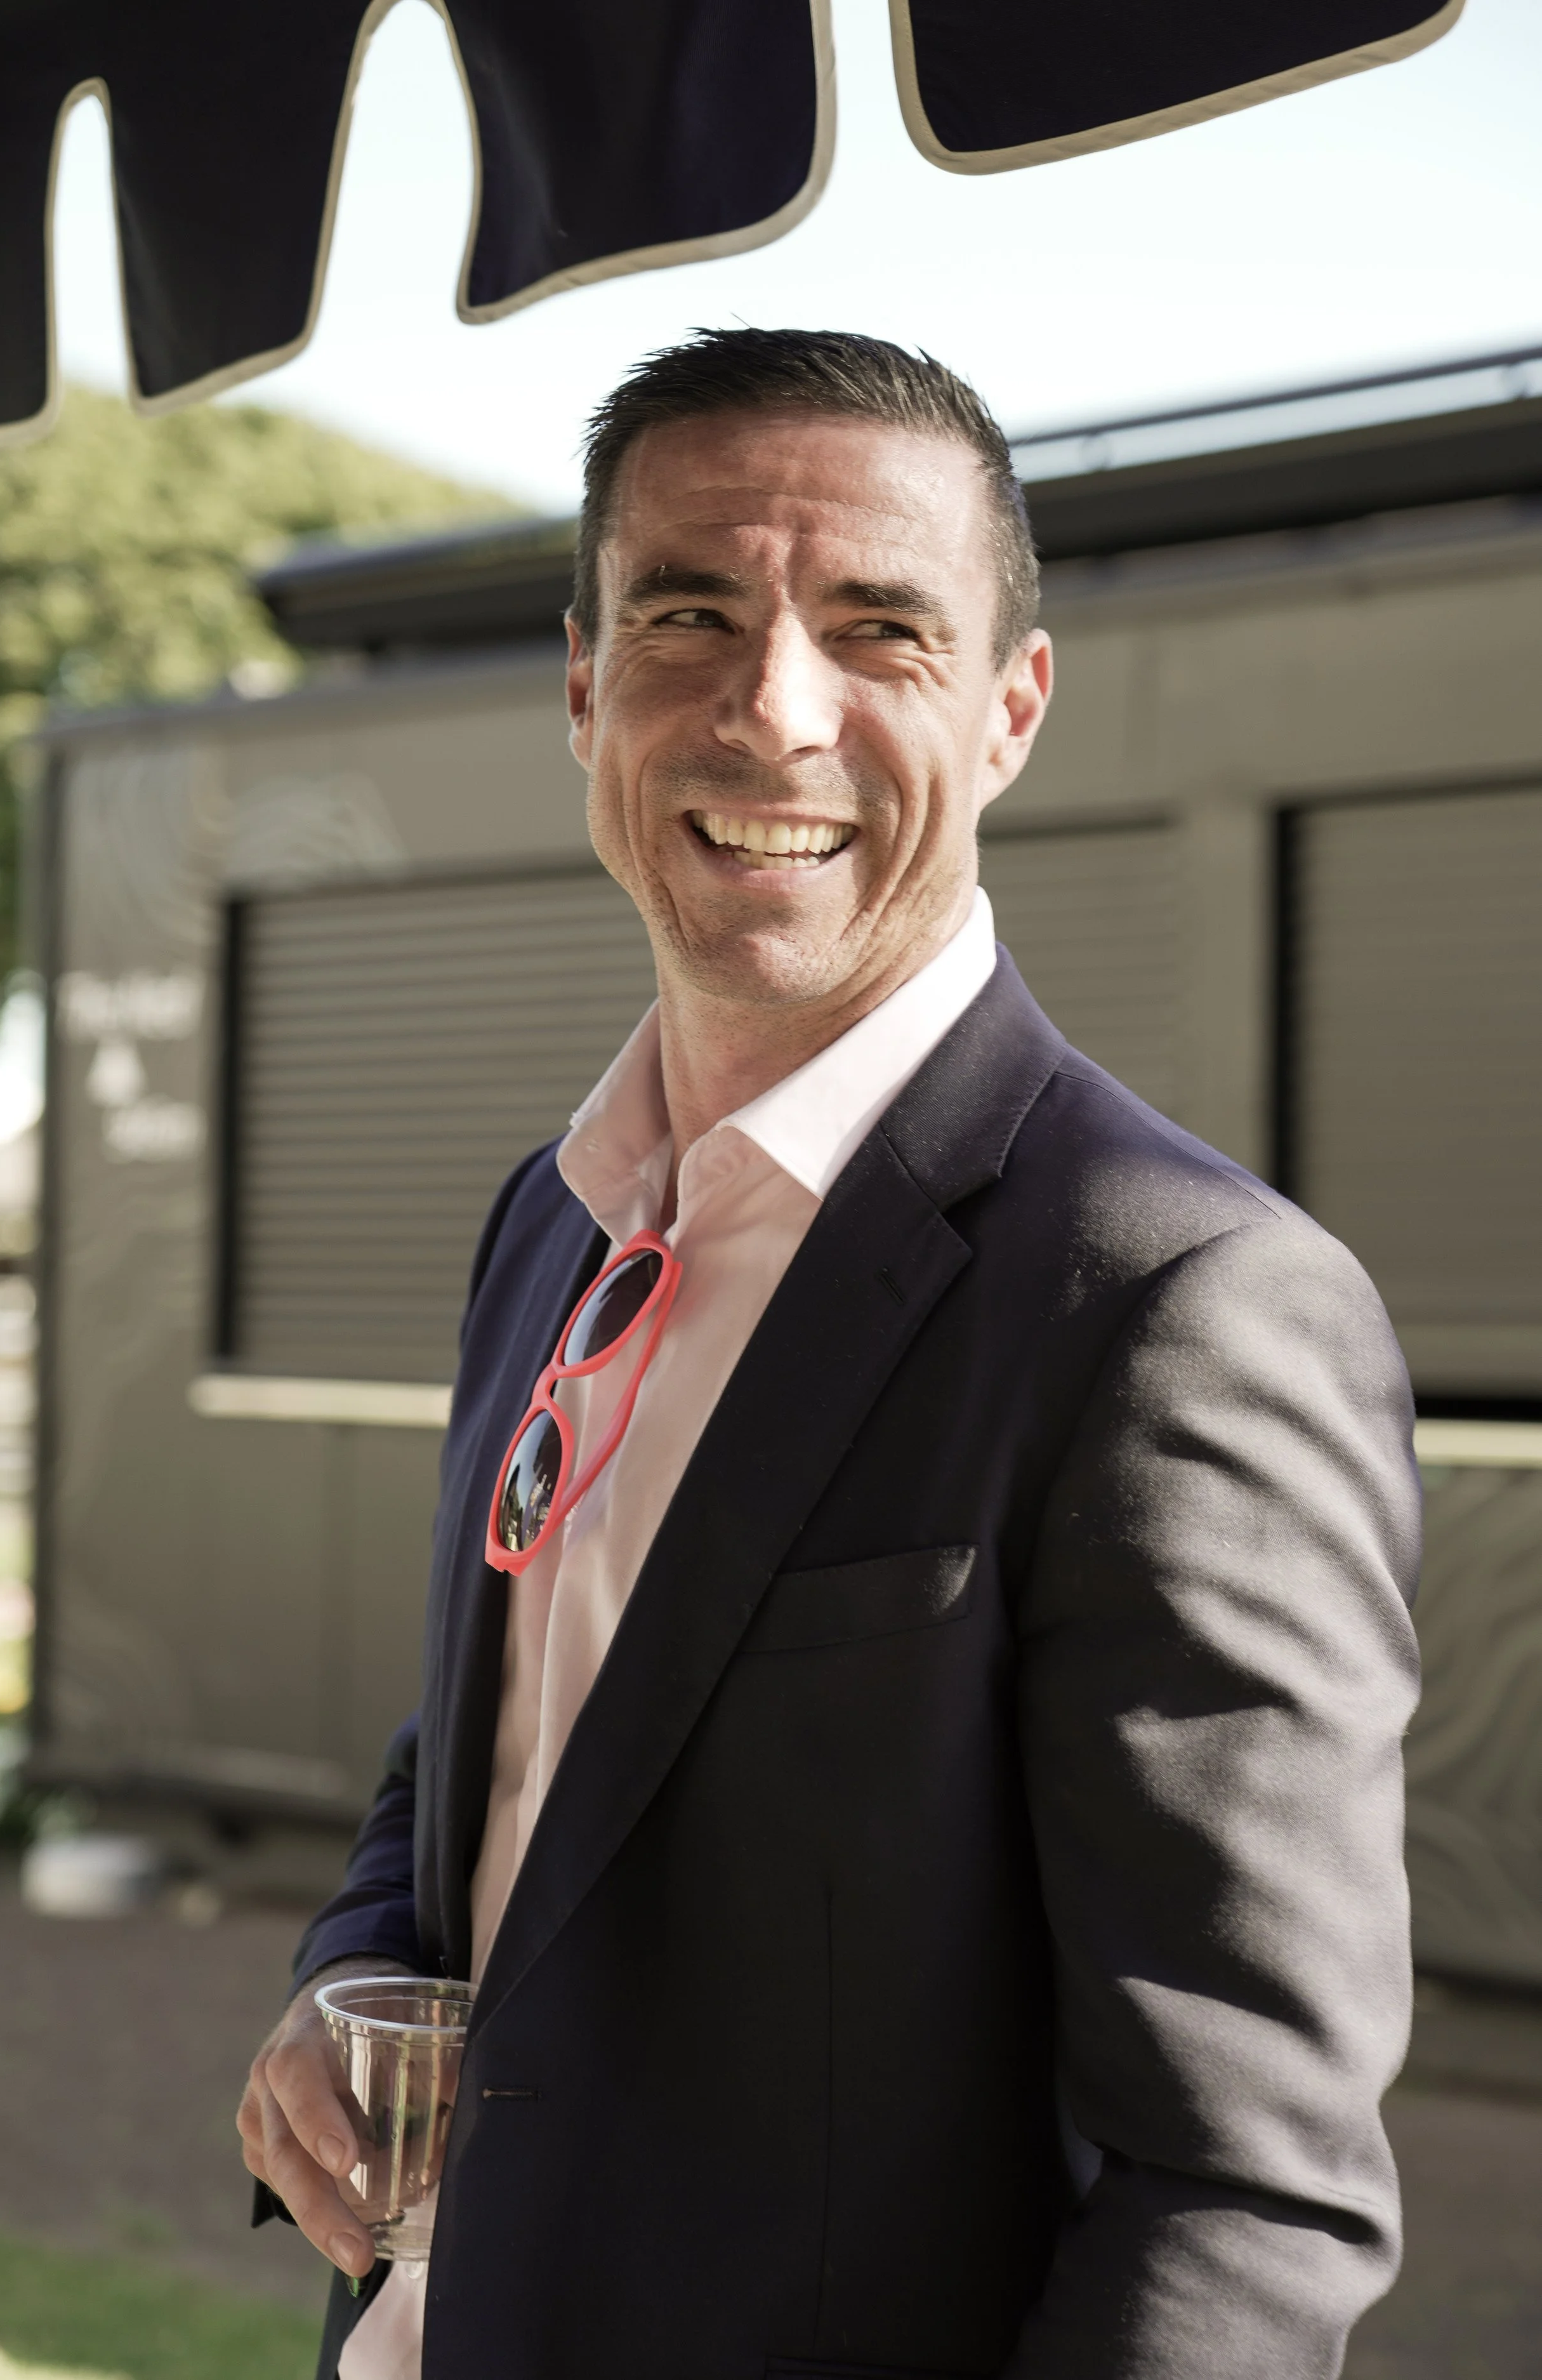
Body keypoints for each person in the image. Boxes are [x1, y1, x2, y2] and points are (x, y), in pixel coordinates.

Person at [237, 328, 1421, 2380]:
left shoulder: (1176, 1298)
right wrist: (357, 1963)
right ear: (586, 685)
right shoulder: (557, 1216)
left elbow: (1242, 2198)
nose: (771, 709)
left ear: (1008, 710)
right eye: (689, 612)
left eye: (879, 628)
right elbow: (509, 1742)